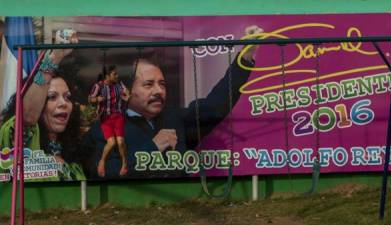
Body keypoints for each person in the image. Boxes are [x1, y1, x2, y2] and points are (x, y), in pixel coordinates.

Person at [82, 25, 263, 179]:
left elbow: (215, 107)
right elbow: (102, 171)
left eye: (162, 84)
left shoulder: (175, 119)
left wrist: (245, 59)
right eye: (148, 84)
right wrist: (152, 149)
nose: (159, 91)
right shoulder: (105, 129)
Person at [0, 29, 86, 181]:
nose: (63, 103)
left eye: (67, 97)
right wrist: (55, 58)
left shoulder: (75, 152)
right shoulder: (21, 138)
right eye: (52, 97)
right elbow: (27, 116)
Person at [88, 65, 129, 177]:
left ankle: (124, 163)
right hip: (105, 118)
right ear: (107, 75)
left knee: (120, 142)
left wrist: (127, 96)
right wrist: (97, 99)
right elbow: (90, 99)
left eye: (117, 74)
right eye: (114, 74)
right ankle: (102, 162)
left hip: (118, 116)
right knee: (111, 142)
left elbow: (127, 93)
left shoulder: (119, 84)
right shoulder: (99, 86)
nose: (117, 76)